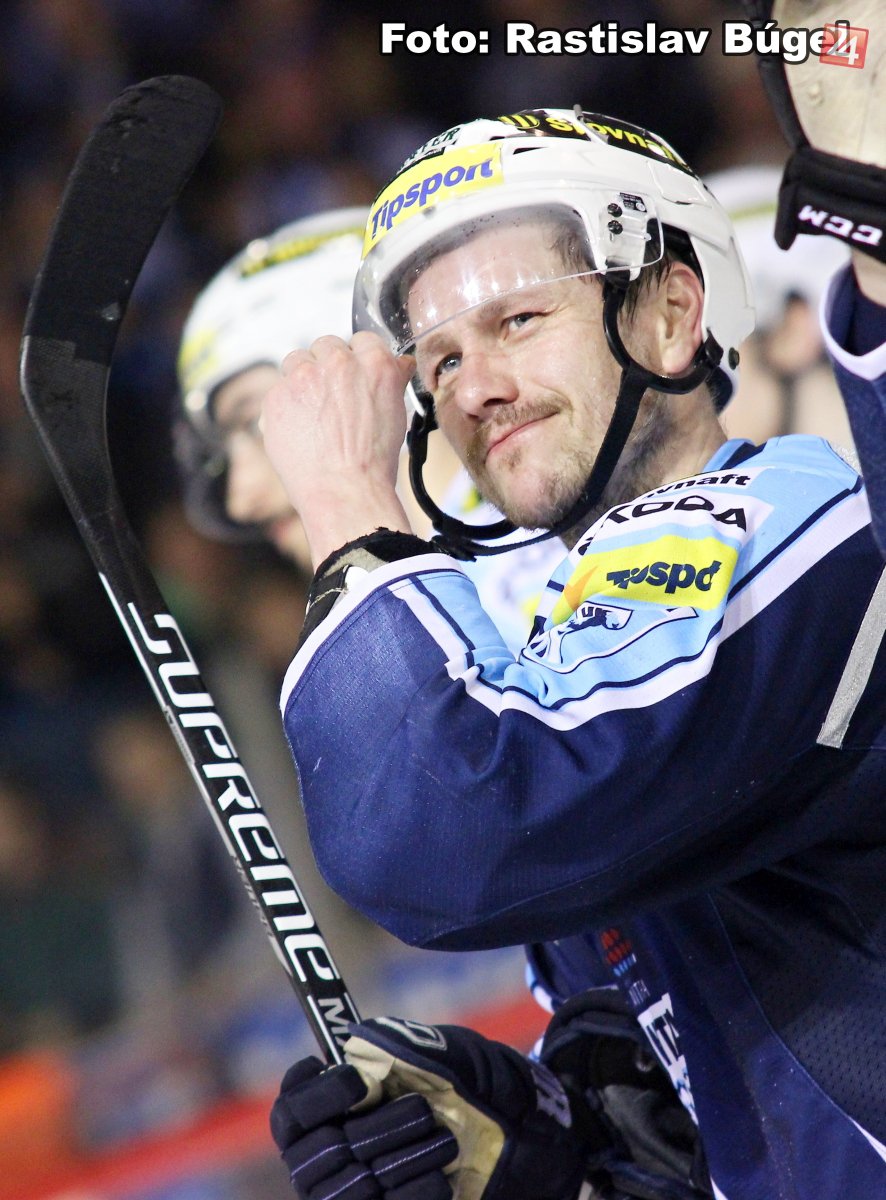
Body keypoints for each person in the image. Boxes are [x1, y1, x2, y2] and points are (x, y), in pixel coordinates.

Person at [260, 77, 886, 1199]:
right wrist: (534, 1147)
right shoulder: (577, 666)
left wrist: (351, 510)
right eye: (441, 361)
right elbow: (685, 1149)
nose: (475, 390)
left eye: (518, 320)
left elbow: (449, 831)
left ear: (670, 316)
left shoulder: (793, 523)